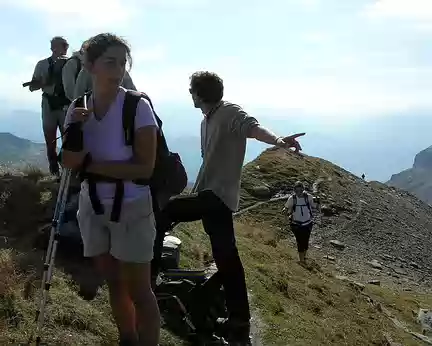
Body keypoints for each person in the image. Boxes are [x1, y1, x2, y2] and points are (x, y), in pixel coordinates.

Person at [152, 71, 305, 345]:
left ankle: (147, 280)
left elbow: (253, 127)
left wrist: (279, 140)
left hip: (215, 196)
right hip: (214, 199)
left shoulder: (229, 112)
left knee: (165, 213)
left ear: (198, 94)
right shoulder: (207, 121)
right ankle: (238, 322)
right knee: (227, 259)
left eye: (192, 92)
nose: (191, 96)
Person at [61, 33, 160, 346]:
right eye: (110, 62)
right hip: (93, 208)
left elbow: (145, 168)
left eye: (122, 63)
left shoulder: (136, 106)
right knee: (115, 283)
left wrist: (90, 166)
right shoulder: (77, 107)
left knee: (140, 291)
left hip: (131, 207)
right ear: (90, 65)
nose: (118, 70)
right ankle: (127, 339)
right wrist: (74, 129)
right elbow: (68, 162)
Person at [27, 36, 70, 175]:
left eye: (61, 46)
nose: (57, 49)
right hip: (48, 103)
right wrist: (44, 83)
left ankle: (66, 171)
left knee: (69, 139)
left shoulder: (72, 64)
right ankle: (54, 171)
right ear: (51, 48)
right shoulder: (42, 65)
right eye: (55, 46)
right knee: (50, 139)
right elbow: (32, 87)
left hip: (66, 104)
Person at [283, 181, 318, 265]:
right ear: (294, 190)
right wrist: (285, 211)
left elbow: (315, 206)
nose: (298, 193)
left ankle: (303, 257)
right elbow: (286, 207)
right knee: (300, 241)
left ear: (303, 189)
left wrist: (318, 202)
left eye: (300, 191)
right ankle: (302, 261)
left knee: (305, 241)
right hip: (296, 224)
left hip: (308, 223)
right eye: (296, 191)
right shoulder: (292, 198)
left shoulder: (308, 197)